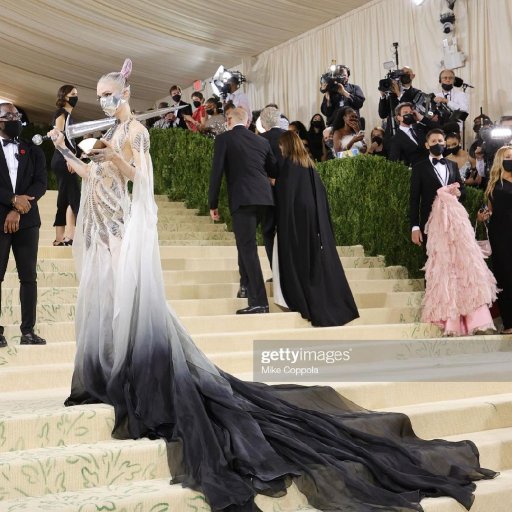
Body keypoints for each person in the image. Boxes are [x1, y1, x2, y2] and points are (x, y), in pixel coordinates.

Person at [49, 60, 496, 512]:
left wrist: (114, 157)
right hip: (101, 230)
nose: (104, 100)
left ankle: (147, 372)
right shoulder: (107, 136)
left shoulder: (135, 134)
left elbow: (137, 178)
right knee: (108, 307)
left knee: (135, 307)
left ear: (124, 92)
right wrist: (68, 152)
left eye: (110, 93)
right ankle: (113, 373)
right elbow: (91, 177)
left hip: (125, 232)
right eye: (100, 94)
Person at [272, 131, 359, 326]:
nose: (279, 149)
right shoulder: (309, 165)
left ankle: (297, 298)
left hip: (296, 222)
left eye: (280, 146)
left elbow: (285, 197)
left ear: (285, 145)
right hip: (313, 221)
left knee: (294, 260)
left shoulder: (288, 165)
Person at [209, 107, 275, 313]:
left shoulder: (224, 140)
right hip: (266, 199)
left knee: (247, 248)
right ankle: (246, 286)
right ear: (247, 122)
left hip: (243, 200)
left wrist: (213, 203)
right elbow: (273, 170)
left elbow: (216, 173)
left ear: (229, 120)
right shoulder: (262, 141)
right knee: (262, 246)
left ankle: (259, 302)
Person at [0, 102, 47, 347]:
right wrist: (11, 200)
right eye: (9, 115)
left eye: (17, 115)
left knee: (28, 277)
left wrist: (19, 207)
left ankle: (28, 331)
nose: (15, 119)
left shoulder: (32, 149)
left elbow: (41, 182)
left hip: (28, 220)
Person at [409, 129, 465, 248]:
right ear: (427, 145)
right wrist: (415, 226)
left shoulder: (453, 165)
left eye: (440, 140)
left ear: (444, 143)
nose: (437, 144)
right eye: (433, 141)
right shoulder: (419, 168)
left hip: (453, 221)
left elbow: (463, 191)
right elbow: (414, 199)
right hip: (430, 222)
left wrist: (459, 193)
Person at [485, 145, 512, 334]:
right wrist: (483, 216)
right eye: (508, 156)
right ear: (500, 160)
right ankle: (509, 322)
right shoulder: (494, 183)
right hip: (500, 234)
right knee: (505, 275)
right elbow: (490, 210)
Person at [51, 84, 81, 246]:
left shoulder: (68, 114)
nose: (76, 97)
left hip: (66, 159)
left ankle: (62, 237)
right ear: (64, 96)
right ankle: (70, 236)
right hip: (64, 160)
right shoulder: (61, 113)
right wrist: (70, 159)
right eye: (73, 94)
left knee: (66, 198)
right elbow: (57, 140)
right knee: (74, 197)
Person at [378, 66, 421, 148]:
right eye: (402, 73)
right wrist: (383, 96)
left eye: (407, 73)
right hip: (391, 134)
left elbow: (411, 111)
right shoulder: (391, 93)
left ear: (413, 76)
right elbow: (382, 114)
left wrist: (398, 93)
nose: (404, 75)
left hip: (409, 134)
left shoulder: (417, 92)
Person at [389, 102, 438, 166]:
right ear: (398, 117)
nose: (409, 114)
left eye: (411, 112)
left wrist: (421, 118)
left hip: (432, 167)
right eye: (405, 112)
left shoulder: (420, 128)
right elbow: (395, 162)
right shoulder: (395, 139)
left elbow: (439, 129)